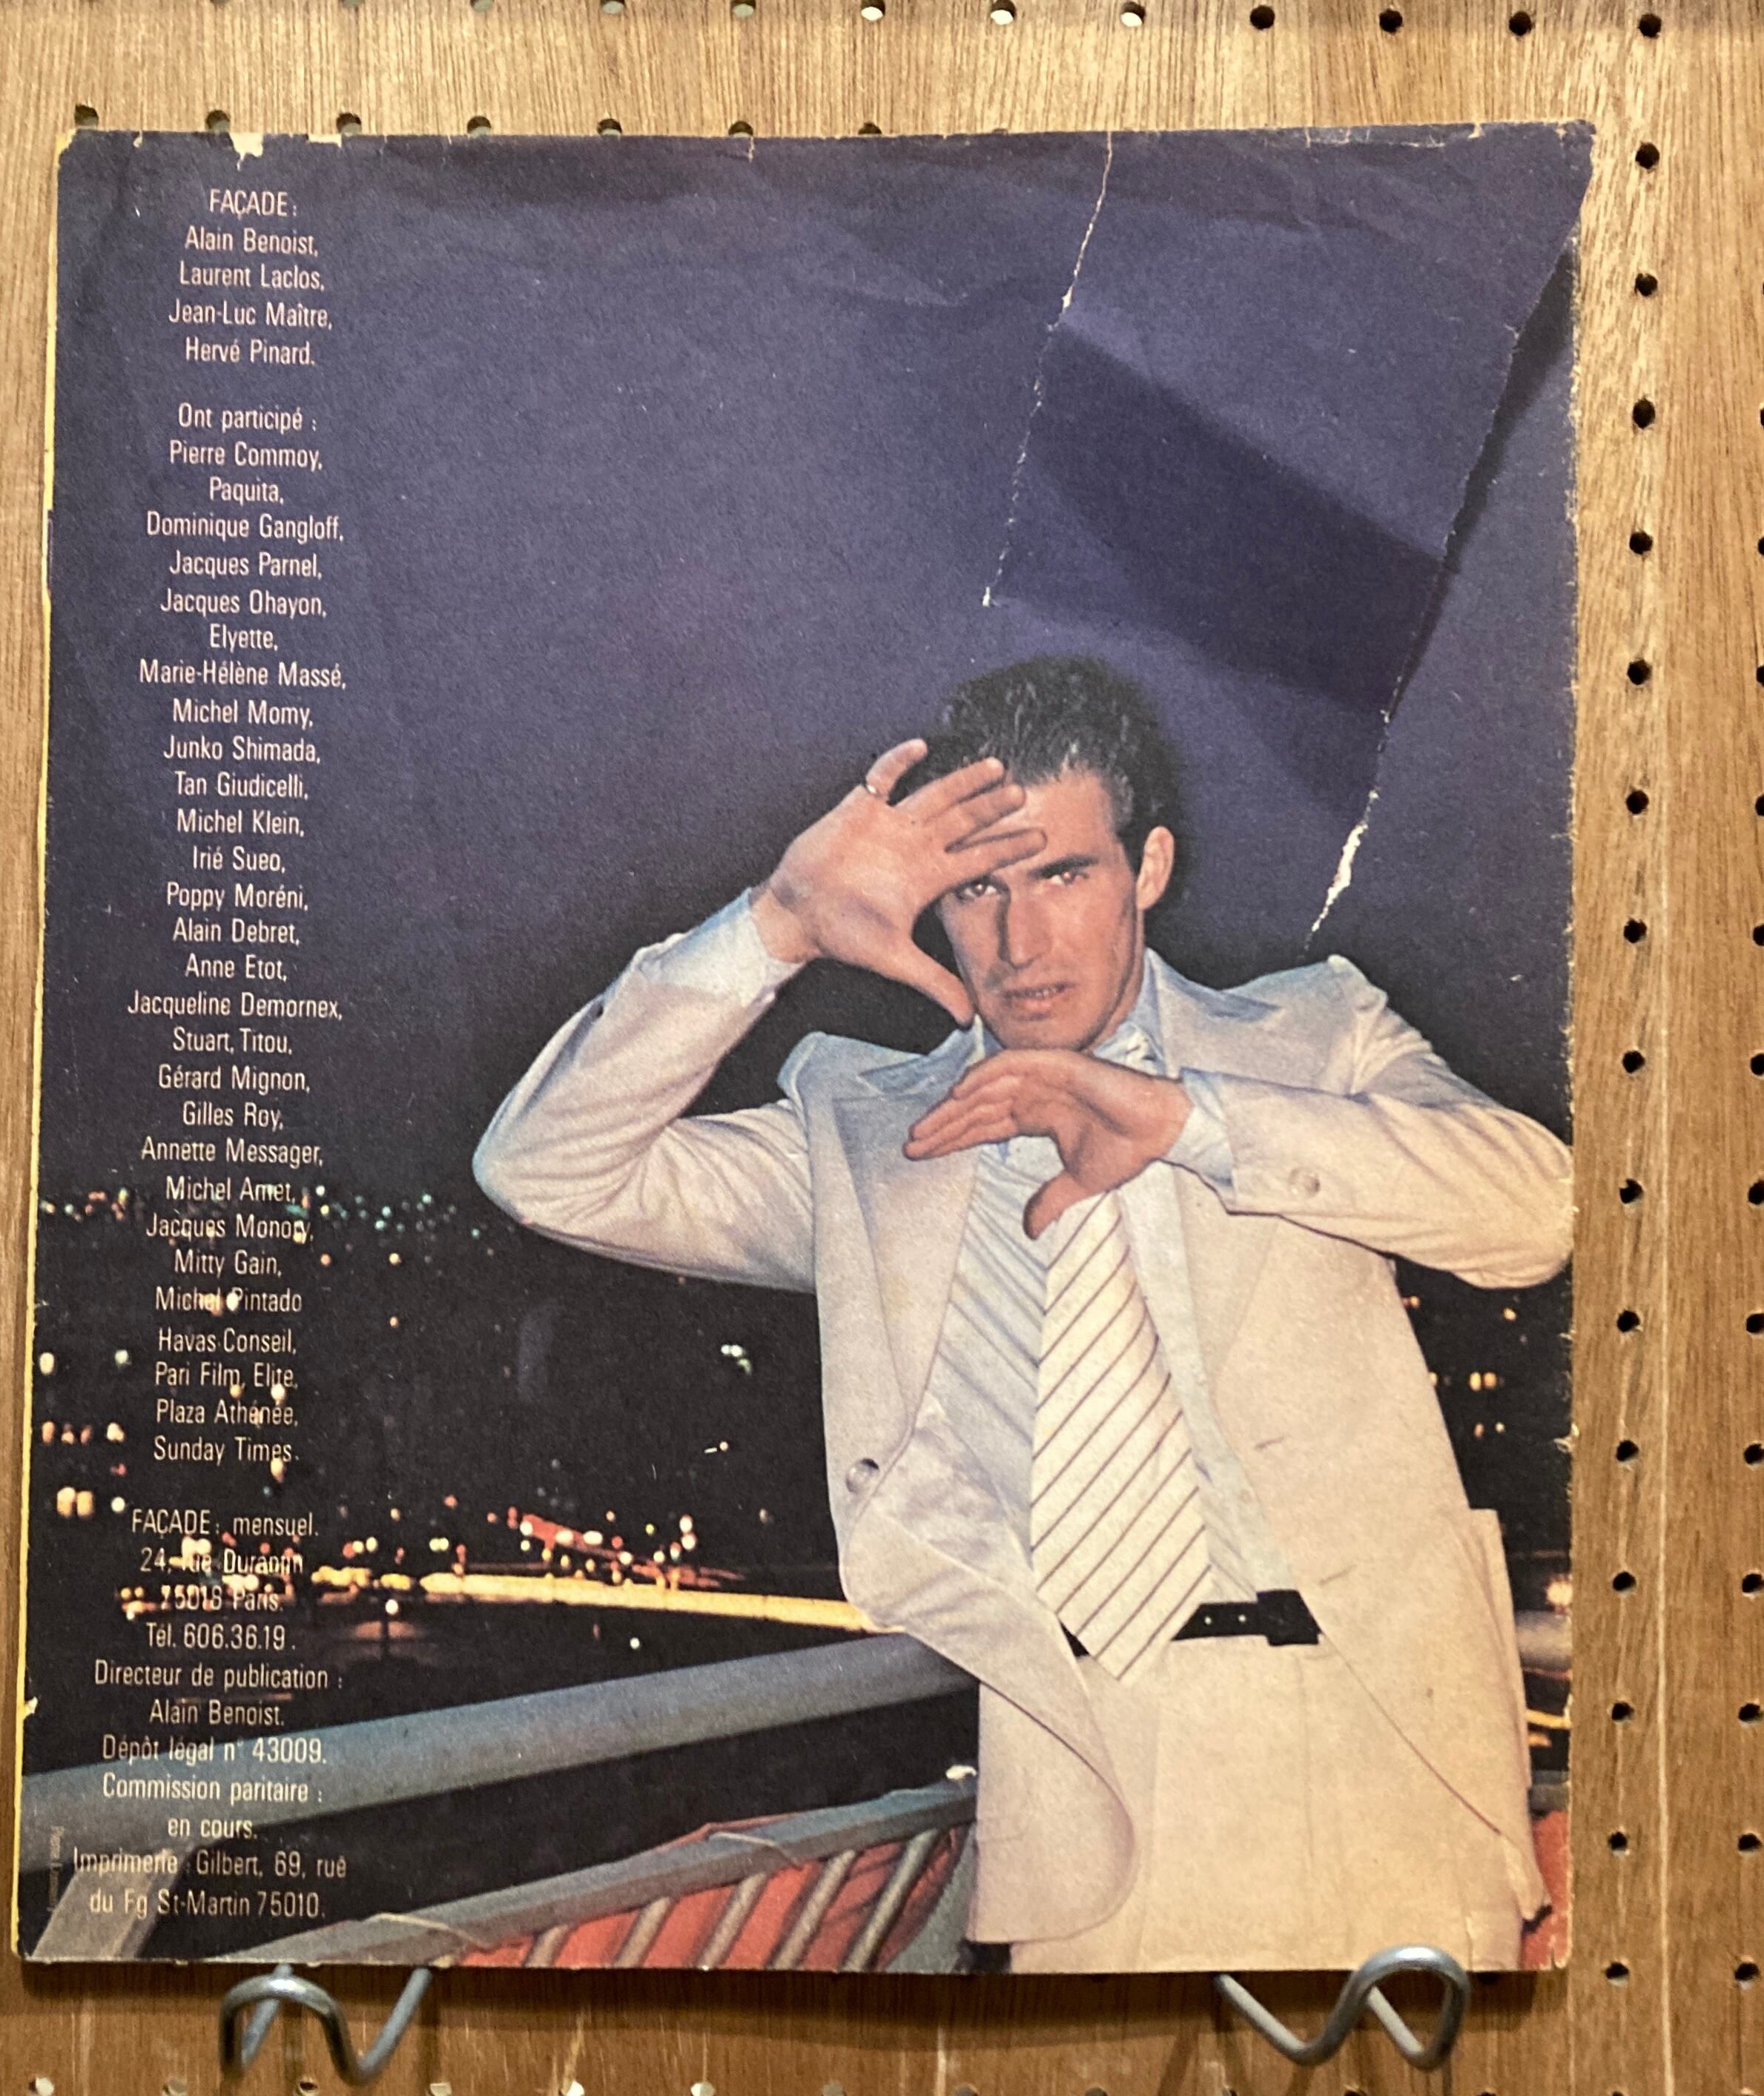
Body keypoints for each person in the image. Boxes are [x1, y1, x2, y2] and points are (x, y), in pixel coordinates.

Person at [473, 655, 1571, 1971]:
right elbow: (545, 1170)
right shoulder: (875, 1138)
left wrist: (1191, 1124)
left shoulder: (1315, 1036)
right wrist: (774, 924)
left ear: (1148, 867)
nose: (1020, 942)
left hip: (1380, 1757)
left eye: (1063, 875)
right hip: (1091, 1804)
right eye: (977, 889)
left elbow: (1538, 1215)